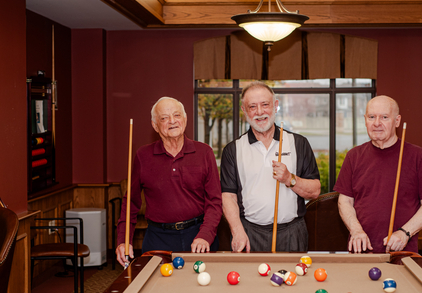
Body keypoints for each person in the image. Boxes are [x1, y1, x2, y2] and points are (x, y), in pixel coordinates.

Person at [116, 97, 222, 267]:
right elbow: (131, 203)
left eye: (176, 115)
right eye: (164, 118)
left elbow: (215, 202)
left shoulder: (205, 152)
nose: (172, 121)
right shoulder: (142, 156)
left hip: (198, 236)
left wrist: (205, 235)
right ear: (155, 125)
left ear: (185, 119)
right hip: (157, 239)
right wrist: (123, 240)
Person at [334, 95, 422, 253]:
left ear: (397, 121)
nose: (377, 123)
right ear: (365, 120)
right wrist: (356, 230)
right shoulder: (353, 156)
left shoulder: (417, 156)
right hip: (361, 250)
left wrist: (405, 233)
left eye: (384, 117)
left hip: (402, 252)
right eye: (372, 117)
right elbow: (344, 201)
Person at [220, 81, 321, 252]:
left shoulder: (298, 143)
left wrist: (290, 179)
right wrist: (237, 231)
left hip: (292, 232)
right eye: (252, 107)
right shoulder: (233, 149)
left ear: (275, 106)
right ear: (244, 111)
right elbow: (228, 197)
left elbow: (315, 190)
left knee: (295, 279)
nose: (259, 112)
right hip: (250, 232)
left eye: (265, 104)